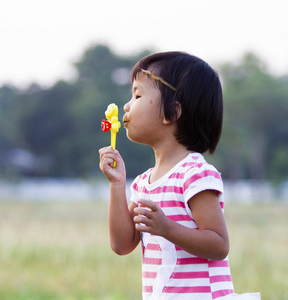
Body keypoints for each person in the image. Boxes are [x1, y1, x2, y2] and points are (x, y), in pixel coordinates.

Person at [99, 51, 235, 299]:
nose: (127, 106)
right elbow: (122, 244)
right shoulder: (143, 184)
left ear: (172, 112)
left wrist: (167, 228)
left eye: (137, 95)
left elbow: (219, 244)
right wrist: (117, 184)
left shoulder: (195, 174)